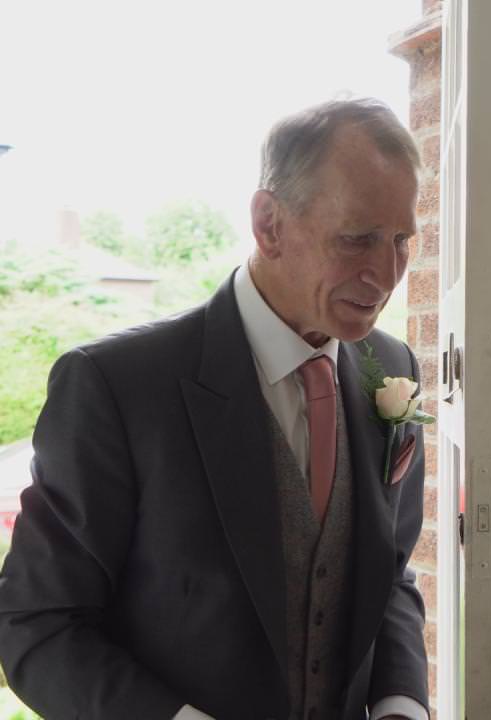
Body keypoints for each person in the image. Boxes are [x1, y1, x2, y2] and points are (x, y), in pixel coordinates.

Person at [0, 99, 431, 720]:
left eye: (401, 241)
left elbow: (387, 577)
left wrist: (400, 705)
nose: (387, 274)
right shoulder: (115, 386)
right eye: (357, 239)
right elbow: (38, 623)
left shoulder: (390, 367)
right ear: (269, 225)